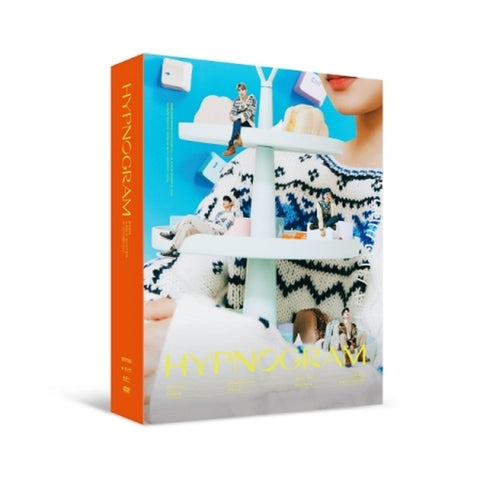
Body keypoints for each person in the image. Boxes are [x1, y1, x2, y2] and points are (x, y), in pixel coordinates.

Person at [160, 195, 235, 257]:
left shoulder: (231, 216)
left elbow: (223, 229)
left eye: (227, 200)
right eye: (224, 200)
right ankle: (174, 250)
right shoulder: (220, 213)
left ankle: (173, 233)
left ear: (231, 203)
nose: (224, 202)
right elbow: (213, 222)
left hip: (215, 233)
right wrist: (207, 222)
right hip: (208, 228)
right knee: (187, 227)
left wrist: (209, 224)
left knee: (189, 217)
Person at [222, 83, 256, 157]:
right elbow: (233, 111)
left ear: (246, 90)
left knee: (238, 119)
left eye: (242, 90)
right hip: (239, 123)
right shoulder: (237, 100)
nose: (241, 92)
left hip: (248, 123)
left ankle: (231, 146)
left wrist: (238, 116)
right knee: (236, 120)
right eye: (239, 90)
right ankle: (236, 139)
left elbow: (250, 112)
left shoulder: (251, 99)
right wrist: (231, 116)